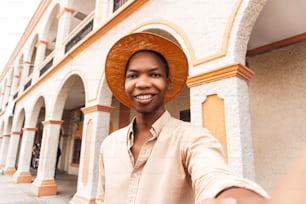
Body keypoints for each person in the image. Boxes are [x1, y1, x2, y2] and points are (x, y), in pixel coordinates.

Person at [96, 32, 269, 204]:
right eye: (133, 76)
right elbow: (102, 198)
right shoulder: (109, 144)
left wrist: (229, 196)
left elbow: (213, 176)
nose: (142, 83)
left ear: (168, 83)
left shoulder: (192, 138)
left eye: (154, 74)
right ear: (125, 84)